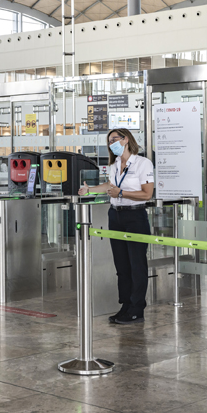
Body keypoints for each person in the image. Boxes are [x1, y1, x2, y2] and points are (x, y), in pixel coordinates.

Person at [79, 128, 154, 324]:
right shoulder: (114, 165)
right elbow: (109, 186)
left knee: (137, 265)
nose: (111, 143)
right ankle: (126, 305)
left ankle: (137, 308)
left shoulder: (142, 163)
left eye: (114, 139)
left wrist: (121, 193)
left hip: (135, 217)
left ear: (126, 139)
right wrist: (89, 190)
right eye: (109, 141)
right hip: (116, 216)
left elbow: (147, 194)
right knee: (122, 265)